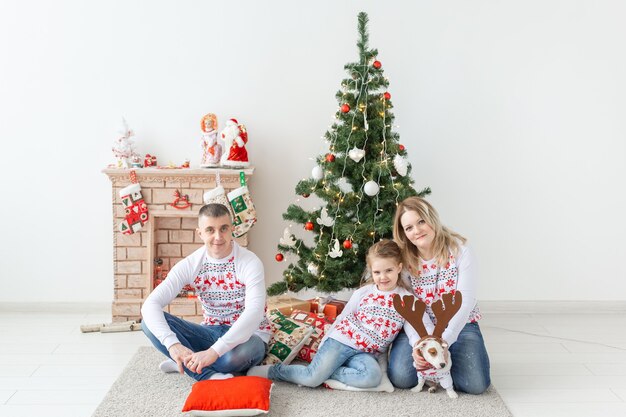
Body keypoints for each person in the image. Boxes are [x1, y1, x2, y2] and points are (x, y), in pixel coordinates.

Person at [247, 239, 421, 388]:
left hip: (365, 353)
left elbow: (414, 328)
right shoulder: (364, 292)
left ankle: (327, 372)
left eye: (388, 270)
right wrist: (324, 341)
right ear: (371, 271)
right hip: (342, 341)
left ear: (399, 268)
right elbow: (343, 318)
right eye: (377, 272)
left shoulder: (408, 300)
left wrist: (421, 344)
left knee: (372, 378)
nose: (383, 277)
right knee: (312, 378)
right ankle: (273, 371)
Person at [141, 203, 271, 381]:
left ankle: (191, 363)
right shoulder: (191, 263)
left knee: (235, 357)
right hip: (209, 331)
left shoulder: (250, 262)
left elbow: (254, 313)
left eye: (223, 228)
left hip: (249, 336)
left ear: (232, 229)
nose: (218, 237)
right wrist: (173, 346)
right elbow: (150, 304)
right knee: (147, 323)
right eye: (210, 230)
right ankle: (206, 373)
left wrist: (214, 352)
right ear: (200, 233)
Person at [388, 196, 491, 394]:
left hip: (460, 325)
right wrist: (419, 345)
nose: (416, 230)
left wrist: (444, 342)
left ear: (431, 219)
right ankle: (438, 365)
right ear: (403, 233)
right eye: (409, 228)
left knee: (476, 384)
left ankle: (444, 363)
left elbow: (465, 301)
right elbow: (410, 308)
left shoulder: (460, 251)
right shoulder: (404, 262)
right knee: (401, 377)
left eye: (421, 221)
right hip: (421, 329)